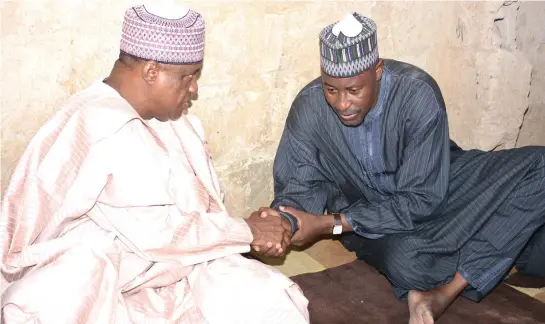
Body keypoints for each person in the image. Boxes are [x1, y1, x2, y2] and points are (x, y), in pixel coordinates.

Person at [0, 3, 309, 323]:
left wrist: (245, 231)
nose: (194, 88)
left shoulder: (167, 120)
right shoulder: (108, 128)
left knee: (273, 302)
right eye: (189, 76)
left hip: (169, 265)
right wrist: (247, 231)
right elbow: (161, 234)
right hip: (98, 276)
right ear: (151, 71)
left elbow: (189, 221)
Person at [267, 12, 545, 324]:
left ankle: (445, 292)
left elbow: (423, 199)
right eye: (332, 90)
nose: (342, 103)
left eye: (354, 90)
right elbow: (298, 187)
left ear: (378, 71)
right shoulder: (309, 107)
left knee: (541, 168)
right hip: (370, 215)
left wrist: (331, 223)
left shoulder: (417, 93)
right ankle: (503, 240)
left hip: (444, 184)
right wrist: (284, 223)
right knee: (409, 264)